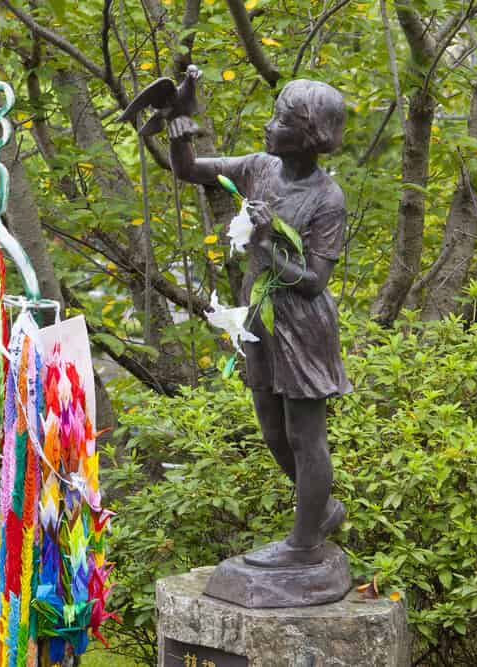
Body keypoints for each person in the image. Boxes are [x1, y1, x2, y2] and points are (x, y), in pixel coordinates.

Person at [168, 79, 351, 567]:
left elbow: (313, 281)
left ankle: (305, 542)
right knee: (271, 428)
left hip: (304, 326)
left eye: (282, 122)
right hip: (261, 320)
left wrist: (265, 243)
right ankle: (322, 510)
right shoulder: (259, 168)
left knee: (303, 435)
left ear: (309, 134)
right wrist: (178, 129)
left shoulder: (327, 198)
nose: (270, 127)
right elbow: (188, 170)